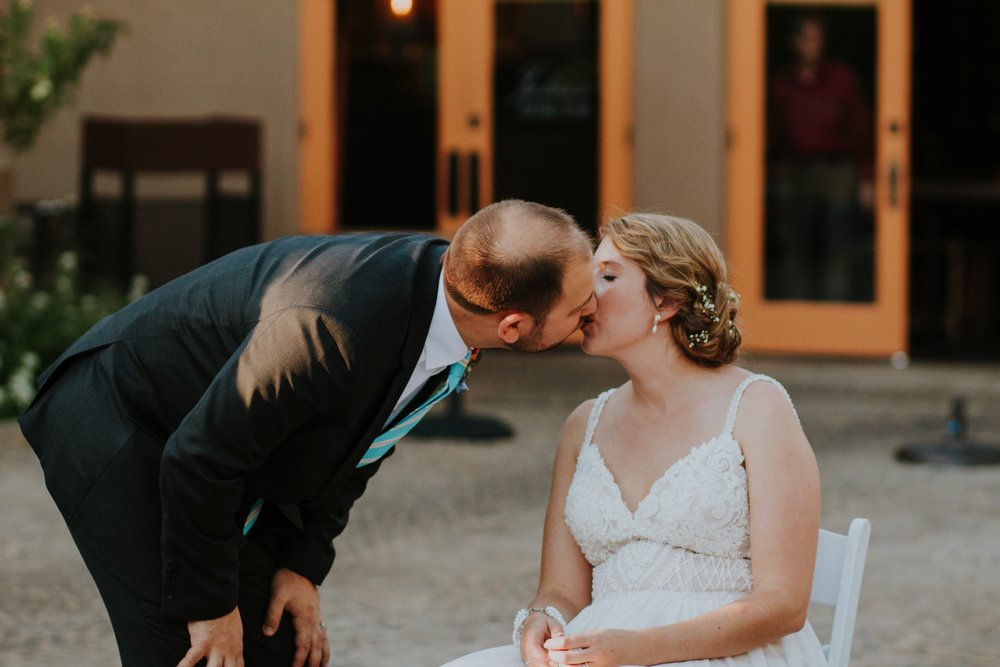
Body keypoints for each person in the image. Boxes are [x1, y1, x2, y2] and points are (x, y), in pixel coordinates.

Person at [18, 199, 597, 667]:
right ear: (514, 326)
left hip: (208, 443)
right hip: (117, 419)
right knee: (190, 651)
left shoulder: (445, 298)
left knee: (279, 646)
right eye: (579, 307)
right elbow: (198, 459)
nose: (591, 309)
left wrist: (301, 564)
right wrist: (213, 607)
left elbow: (360, 445)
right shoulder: (331, 329)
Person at [443, 213, 825, 667]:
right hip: (599, 650)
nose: (586, 295)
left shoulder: (757, 407)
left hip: (727, 652)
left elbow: (783, 606)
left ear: (664, 302)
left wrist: (641, 649)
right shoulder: (584, 423)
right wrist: (541, 618)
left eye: (606, 276)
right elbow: (561, 590)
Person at [766, 12, 873, 301]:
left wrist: (866, 177)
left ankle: (835, 323)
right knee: (794, 248)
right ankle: (794, 323)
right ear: (795, 42)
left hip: (837, 172)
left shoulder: (841, 79)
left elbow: (861, 129)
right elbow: (768, 133)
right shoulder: (781, 84)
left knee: (836, 249)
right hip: (796, 172)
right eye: (808, 38)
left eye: (818, 38)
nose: (814, 45)